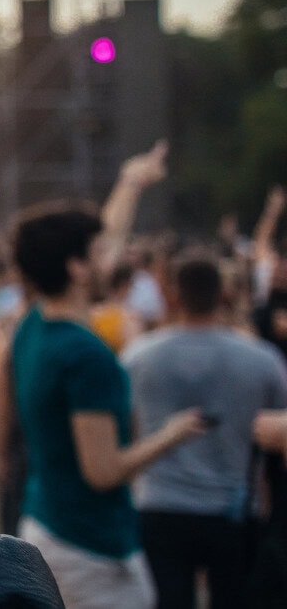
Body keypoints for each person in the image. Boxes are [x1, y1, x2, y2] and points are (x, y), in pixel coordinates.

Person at [7, 208, 207, 609]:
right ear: (77, 267)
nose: (113, 259)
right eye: (100, 252)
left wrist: (131, 186)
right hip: (90, 549)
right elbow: (103, 471)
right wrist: (173, 434)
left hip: (46, 523)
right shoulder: (86, 355)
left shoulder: (30, 327)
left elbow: (89, 238)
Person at [123, 257, 287, 609]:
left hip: (160, 503)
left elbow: (129, 429)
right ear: (223, 294)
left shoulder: (138, 356)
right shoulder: (262, 359)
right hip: (235, 507)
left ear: (172, 295)